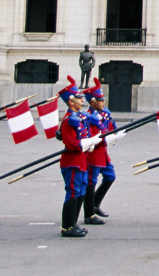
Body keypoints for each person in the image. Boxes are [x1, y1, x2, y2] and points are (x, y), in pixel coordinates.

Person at [58, 76, 100, 238]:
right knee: (74, 192)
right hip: (72, 162)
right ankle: (67, 227)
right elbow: (70, 143)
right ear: (71, 101)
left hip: (81, 160)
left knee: (81, 191)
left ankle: (73, 223)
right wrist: (87, 142)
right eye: (79, 98)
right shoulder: (69, 120)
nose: (82, 100)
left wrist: (91, 141)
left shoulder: (81, 117)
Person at [82, 78, 122, 225]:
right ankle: (89, 215)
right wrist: (110, 139)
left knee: (110, 176)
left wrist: (115, 135)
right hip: (94, 154)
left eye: (103, 100)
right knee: (91, 182)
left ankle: (95, 204)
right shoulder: (89, 117)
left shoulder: (104, 113)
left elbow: (110, 128)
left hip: (103, 153)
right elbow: (93, 137)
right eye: (100, 100)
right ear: (92, 102)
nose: (103, 102)